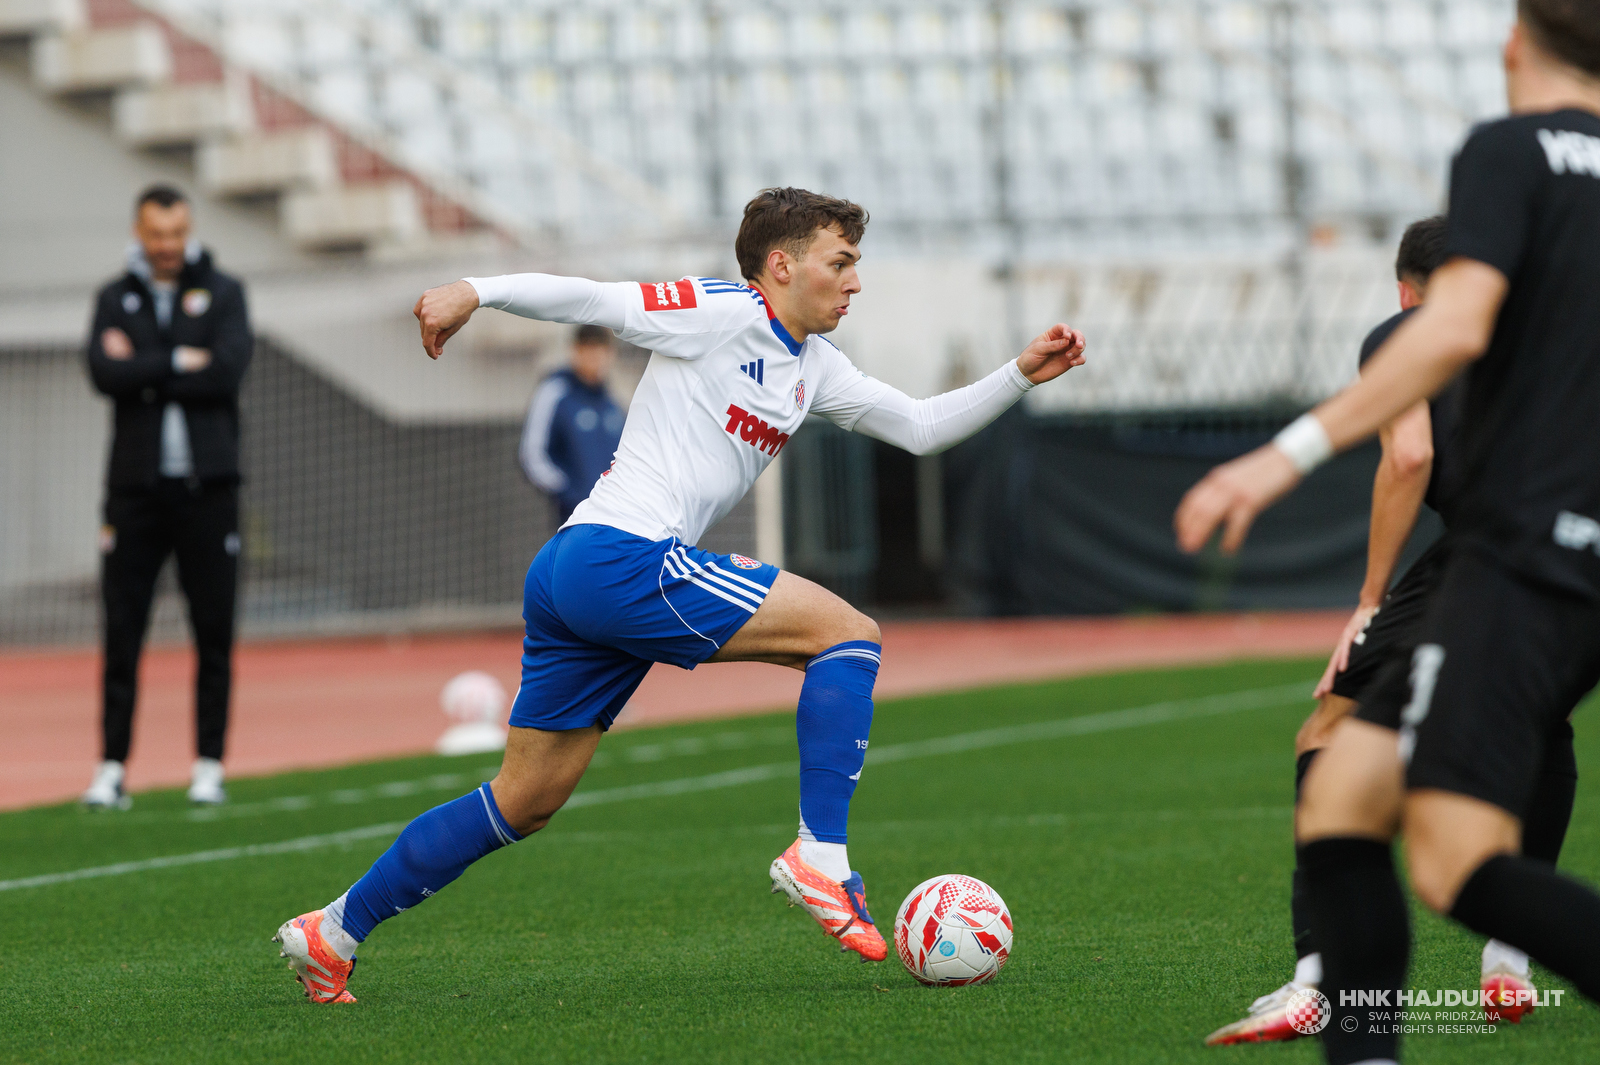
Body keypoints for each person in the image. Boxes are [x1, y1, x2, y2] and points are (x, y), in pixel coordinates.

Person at [270, 187, 1087, 1003]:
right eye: (840, 263)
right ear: (782, 264)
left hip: (577, 571)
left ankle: (332, 931)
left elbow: (917, 426)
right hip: (616, 558)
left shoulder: (817, 365)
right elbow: (594, 300)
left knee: (523, 801)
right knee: (849, 635)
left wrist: (1019, 374)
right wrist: (474, 291)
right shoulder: (721, 309)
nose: (854, 282)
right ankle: (820, 856)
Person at [1176, 3, 1600, 1062]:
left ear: (1514, 46)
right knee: (1344, 804)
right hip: (1552, 553)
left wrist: (1285, 452)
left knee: (1451, 860)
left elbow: (1447, 332)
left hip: (1533, 553)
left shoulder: (1506, 152)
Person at [1203, 216, 1577, 1045]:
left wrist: (1369, 600)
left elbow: (1407, 455)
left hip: (1514, 547)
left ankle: (1319, 979)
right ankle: (1508, 960)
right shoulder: (1540, 322)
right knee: (1543, 718)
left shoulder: (1410, 330)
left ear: (1405, 289)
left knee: (1329, 730)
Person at [81, 184, 252, 810]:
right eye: (156, 235)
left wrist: (146, 364)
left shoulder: (224, 290)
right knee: (122, 628)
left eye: (176, 234)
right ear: (139, 232)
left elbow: (227, 369)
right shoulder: (113, 295)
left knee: (213, 629)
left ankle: (208, 764)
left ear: (189, 229)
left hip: (208, 490)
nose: (168, 246)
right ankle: (111, 767)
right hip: (134, 493)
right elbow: (103, 373)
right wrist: (181, 357)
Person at [519, 324, 626, 524]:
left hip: (615, 519)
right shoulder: (555, 391)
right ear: (575, 350)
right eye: (587, 348)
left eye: (599, 349)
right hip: (574, 519)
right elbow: (532, 454)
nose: (594, 357)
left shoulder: (612, 402)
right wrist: (569, 493)